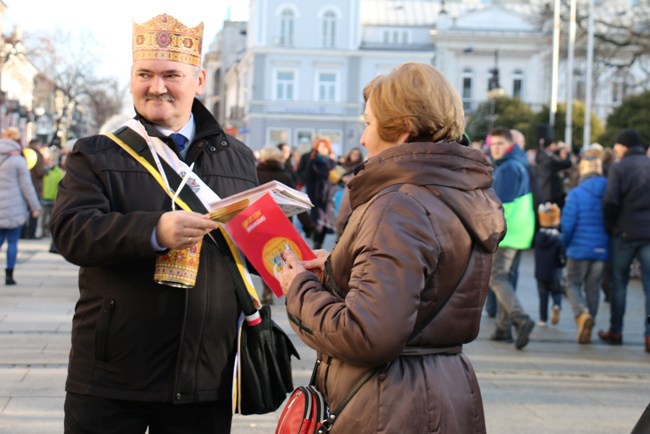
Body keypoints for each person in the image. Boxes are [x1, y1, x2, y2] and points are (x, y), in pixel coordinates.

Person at [50, 13, 258, 433]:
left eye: (171, 75)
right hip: (112, 373)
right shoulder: (96, 153)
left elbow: (248, 249)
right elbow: (72, 232)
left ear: (199, 80)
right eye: (144, 74)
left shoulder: (237, 157)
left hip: (204, 375)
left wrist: (289, 260)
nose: (156, 86)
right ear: (131, 79)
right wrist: (154, 231)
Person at [276, 62, 505, 433]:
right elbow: (425, 289)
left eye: (368, 123)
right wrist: (335, 269)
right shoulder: (459, 191)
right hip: (443, 390)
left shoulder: (398, 205)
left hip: (390, 403)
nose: (363, 138)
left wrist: (298, 287)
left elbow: (368, 334)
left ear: (402, 130)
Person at [598, 129, 650, 352]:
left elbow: (611, 201)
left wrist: (611, 226)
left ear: (625, 146)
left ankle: (616, 330)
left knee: (619, 283)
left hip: (625, 232)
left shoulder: (619, 168)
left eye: (617, 145)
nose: (615, 148)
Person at [488, 127, 536, 349]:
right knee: (505, 278)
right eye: (493, 144)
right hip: (520, 230)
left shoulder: (508, 168)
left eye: (500, 144)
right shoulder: (518, 163)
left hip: (509, 231)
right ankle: (502, 328)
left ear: (510, 145)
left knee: (496, 278)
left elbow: (501, 205)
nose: (495, 148)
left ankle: (520, 318)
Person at [256, 145, 314, 303]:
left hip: (259, 221)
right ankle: (280, 285)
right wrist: (309, 224)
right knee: (279, 255)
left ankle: (267, 288)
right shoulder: (285, 176)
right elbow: (295, 202)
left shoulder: (255, 174)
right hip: (281, 223)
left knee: (263, 255)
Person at [561, 154, 609, 344]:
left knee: (571, 283)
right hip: (602, 248)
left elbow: (568, 224)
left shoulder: (576, 193)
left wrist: (564, 244)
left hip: (579, 248)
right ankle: (590, 322)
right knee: (593, 287)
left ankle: (581, 314)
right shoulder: (610, 191)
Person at [0, 136, 41, 285]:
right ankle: (9, 275)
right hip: (14, 207)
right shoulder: (18, 162)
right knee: (12, 242)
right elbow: (27, 187)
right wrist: (35, 206)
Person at [534, 202, 565, 328]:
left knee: (543, 296)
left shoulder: (538, 237)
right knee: (557, 292)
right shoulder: (558, 238)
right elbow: (563, 254)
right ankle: (556, 305)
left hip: (540, 272)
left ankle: (543, 319)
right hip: (555, 271)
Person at [304, 137, 338, 249]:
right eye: (320, 146)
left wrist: (332, 162)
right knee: (318, 221)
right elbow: (310, 179)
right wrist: (310, 198)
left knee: (325, 222)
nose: (322, 149)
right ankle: (316, 244)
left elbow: (337, 178)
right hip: (316, 196)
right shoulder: (314, 162)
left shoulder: (332, 162)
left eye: (325, 146)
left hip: (328, 197)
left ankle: (319, 244)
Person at [535, 140, 572, 209]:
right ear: (550, 145)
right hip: (550, 192)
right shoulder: (548, 158)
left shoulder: (543, 155)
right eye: (554, 144)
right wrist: (568, 153)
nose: (555, 146)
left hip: (546, 191)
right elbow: (566, 164)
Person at [23, 137, 48, 239]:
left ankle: (22, 233)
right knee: (35, 210)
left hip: (24, 185)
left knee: (24, 211)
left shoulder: (24, 153)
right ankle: (31, 234)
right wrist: (47, 170)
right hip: (35, 186)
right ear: (37, 144)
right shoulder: (36, 155)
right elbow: (40, 171)